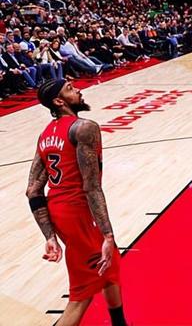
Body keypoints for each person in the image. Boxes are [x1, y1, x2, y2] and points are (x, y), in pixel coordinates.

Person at [26, 79, 127, 325]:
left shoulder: (46, 134)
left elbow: (33, 190)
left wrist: (50, 236)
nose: (78, 90)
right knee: (82, 293)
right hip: (78, 212)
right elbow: (91, 187)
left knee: (110, 265)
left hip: (60, 212)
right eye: (70, 89)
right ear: (59, 101)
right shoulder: (84, 128)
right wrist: (108, 234)